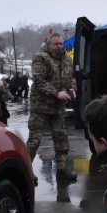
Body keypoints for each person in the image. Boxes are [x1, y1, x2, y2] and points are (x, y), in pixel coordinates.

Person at [26, 34, 77, 180]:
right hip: (40, 105)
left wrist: (72, 88)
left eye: (61, 43)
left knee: (61, 137)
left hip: (58, 106)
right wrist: (56, 93)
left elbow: (71, 78)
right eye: (56, 44)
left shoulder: (66, 59)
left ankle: (62, 168)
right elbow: (38, 80)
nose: (60, 46)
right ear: (49, 44)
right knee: (34, 140)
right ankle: (26, 171)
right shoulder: (41, 58)